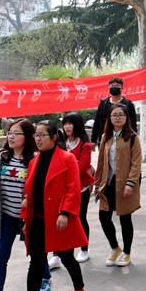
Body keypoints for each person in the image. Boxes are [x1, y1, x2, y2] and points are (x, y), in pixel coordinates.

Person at [19, 120, 88, 291]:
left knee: (67, 257)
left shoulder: (67, 158)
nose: (38, 139)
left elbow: (73, 188)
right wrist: (25, 212)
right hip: (37, 219)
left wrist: (65, 213)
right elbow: (29, 190)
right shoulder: (34, 161)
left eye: (42, 135)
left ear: (53, 137)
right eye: (36, 135)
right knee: (36, 263)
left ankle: (79, 288)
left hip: (59, 219)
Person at [0, 119, 48, 291]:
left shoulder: (36, 159)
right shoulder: (1, 157)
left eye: (16, 133)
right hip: (5, 216)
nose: (10, 136)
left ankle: (45, 278)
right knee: (0, 257)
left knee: (36, 254)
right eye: (9, 132)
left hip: (29, 217)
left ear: (27, 136)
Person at [94, 103, 142, 267]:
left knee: (125, 218)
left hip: (124, 183)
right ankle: (115, 248)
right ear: (109, 118)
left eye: (121, 114)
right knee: (103, 217)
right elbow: (101, 162)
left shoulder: (133, 137)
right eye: (114, 115)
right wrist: (97, 184)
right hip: (107, 183)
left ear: (126, 117)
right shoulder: (105, 137)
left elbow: (136, 163)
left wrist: (130, 183)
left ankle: (126, 253)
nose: (118, 118)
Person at [61, 113, 94, 264]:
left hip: (80, 189)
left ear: (77, 125)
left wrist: (65, 166)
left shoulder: (84, 146)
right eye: (65, 123)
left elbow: (81, 169)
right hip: (62, 190)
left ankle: (84, 249)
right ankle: (57, 253)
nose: (66, 127)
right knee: (61, 220)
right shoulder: (61, 143)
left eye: (70, 123)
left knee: (80, 219)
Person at [90, 76, 138, 146]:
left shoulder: (128, 104)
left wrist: (133, 138)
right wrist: (93, 140)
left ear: (122, 89)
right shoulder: (103, 103)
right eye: (112, 86)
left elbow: (133, 122)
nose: (114, 87)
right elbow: (97, 122)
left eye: (117, 86)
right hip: (105, 137)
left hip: (124, 138)